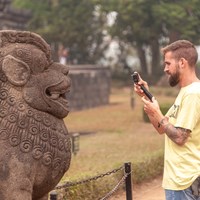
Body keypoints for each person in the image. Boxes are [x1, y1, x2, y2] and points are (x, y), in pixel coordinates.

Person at [134, 40, 200, 200]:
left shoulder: (193, 94)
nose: (165, 69)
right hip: (179, 181)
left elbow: (179, 137)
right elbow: (161, 127)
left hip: (184, 182)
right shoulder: (185, 92)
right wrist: (147, 97)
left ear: (182, 63)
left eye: (168, 63)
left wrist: (157, 113)